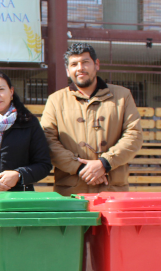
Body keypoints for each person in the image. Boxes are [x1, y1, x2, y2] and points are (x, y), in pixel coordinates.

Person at [40, 43, 143, 195]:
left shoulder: (123, 96)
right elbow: (47, 140)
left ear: (96, 64)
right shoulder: (56, 100)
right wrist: (82, 169)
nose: (80, 68)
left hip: (112, 188)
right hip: (71, 192)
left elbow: (134, 135)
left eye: (85, 62)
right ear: (68, 71)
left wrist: (104, 163)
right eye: (74, 64)